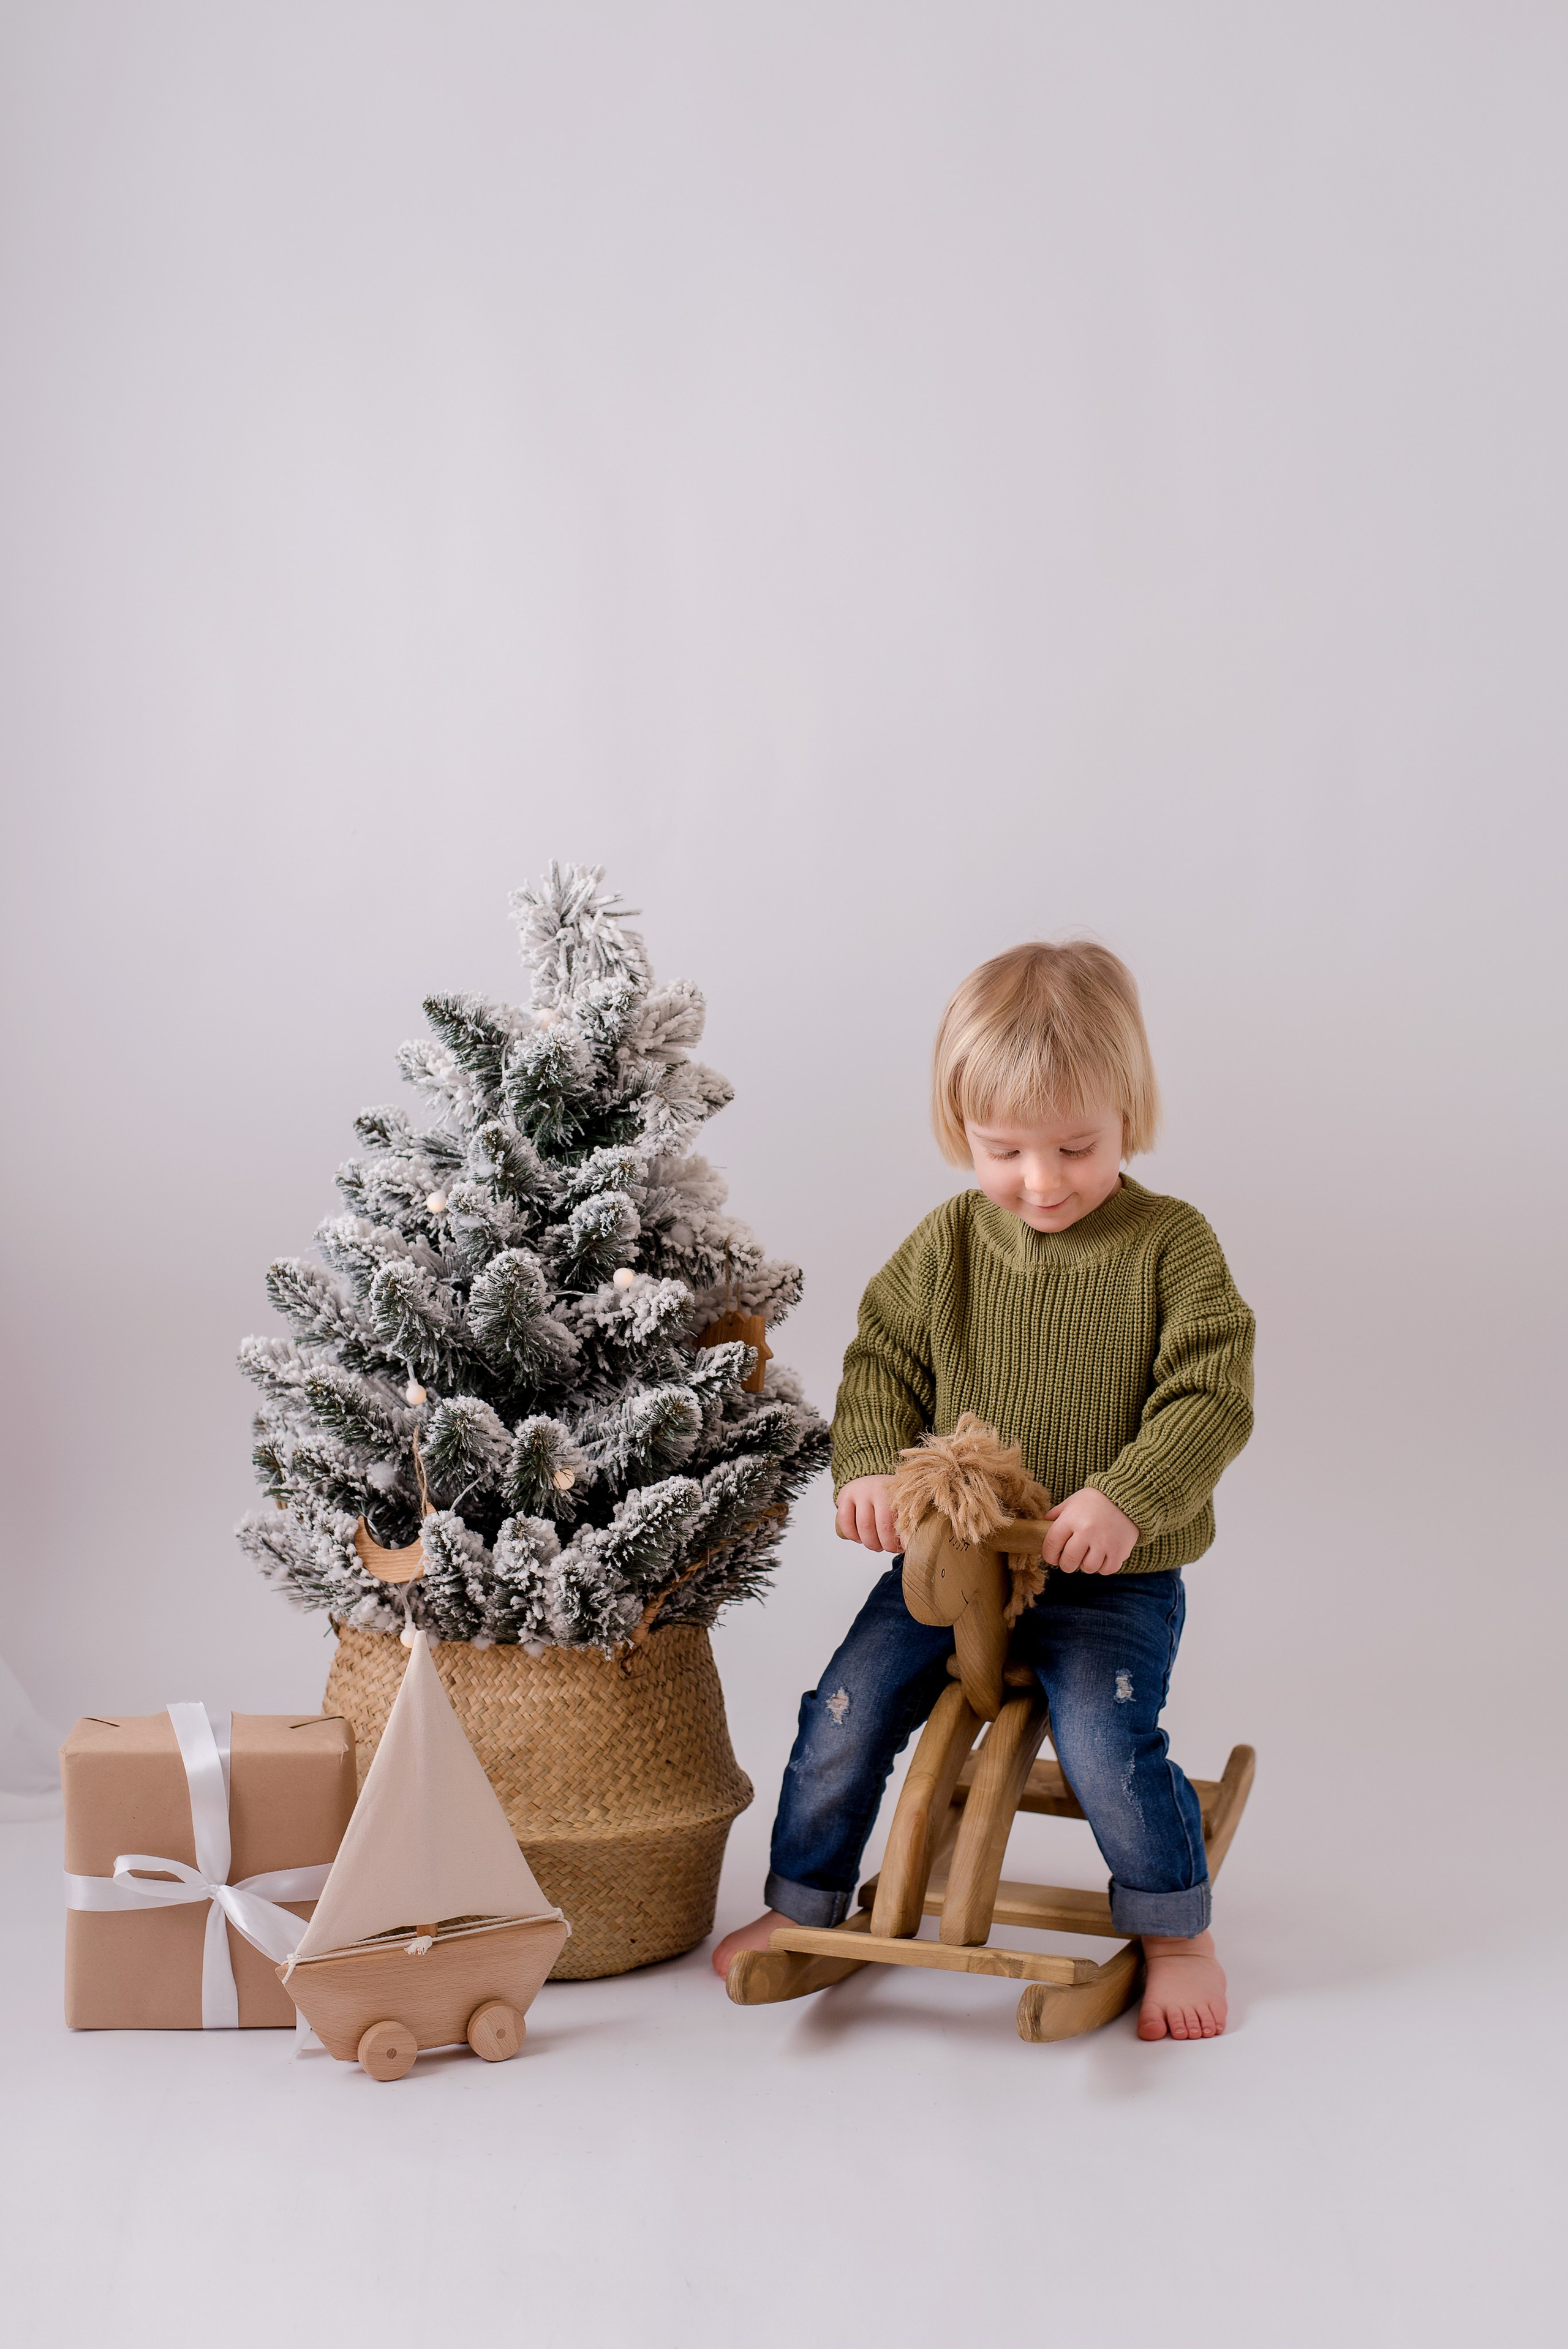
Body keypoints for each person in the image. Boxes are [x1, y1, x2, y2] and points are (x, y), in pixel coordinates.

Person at [713, 940, 1255, 2040]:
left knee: (1106, 1745)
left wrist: (1126, 1497)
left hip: (1108, 1579)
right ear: (959, 1127)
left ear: (1128, 1114)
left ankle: (1176, 1933)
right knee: (845, 1711)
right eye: (1004, 1150)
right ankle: (804, 1903)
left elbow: (1212, 1393)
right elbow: (883, 1361)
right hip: (955, 1567)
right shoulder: (949, 1244)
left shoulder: (1171, 1247)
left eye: (1075, 1147)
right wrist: (869, 1465)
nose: (1042, 1180)